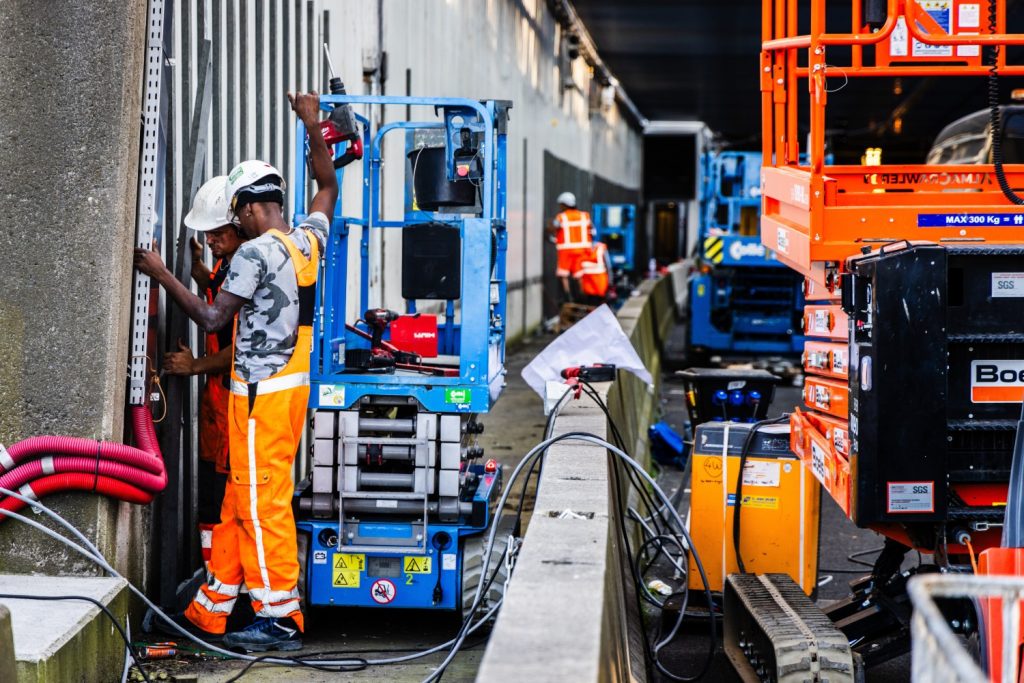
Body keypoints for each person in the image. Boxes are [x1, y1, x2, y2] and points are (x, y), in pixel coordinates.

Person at [135, 90, 338, 652]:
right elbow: (328, 186)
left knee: (259, 501)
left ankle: (279, 617)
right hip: (286, 393)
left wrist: (159, 272)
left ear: (249, 209)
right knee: (235, 502)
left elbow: (209, 313)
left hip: (259, 397)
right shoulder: (306, 241)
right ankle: (212, 608)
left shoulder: (252, 254)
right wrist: (313, 124)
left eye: (235, 212)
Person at [161, 175, 245, 570]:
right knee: (211, 494)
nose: (210, 241)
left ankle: (225, 581)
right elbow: (217, 292)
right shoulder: (230, 266)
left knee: (224, 497)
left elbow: (239, 347)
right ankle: (216, 579)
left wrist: (194, 365)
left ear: (238, 226)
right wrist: (198, 269)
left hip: (233, 406)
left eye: (216, 233)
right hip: (217, 405)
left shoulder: (250, 271)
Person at [546, 191, 593, 301]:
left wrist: (549, 227)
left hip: (566, 251)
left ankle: (568, 297)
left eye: (561, 205)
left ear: (565, 204)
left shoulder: (561, 217)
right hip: (581, 251)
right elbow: (591, 230)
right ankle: (582, 298)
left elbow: (554, 228)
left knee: (564, 274)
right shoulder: (584, 216)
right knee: (579, 275)